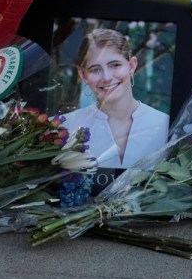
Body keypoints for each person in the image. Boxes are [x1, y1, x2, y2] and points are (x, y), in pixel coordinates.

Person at [61, 28, 169, 172]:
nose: (106, 77)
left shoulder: (165, 124)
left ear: (131, 66)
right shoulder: (63, 128)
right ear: (83, 75)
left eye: (115, 65)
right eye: (95, 69)